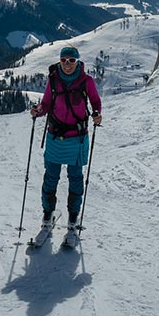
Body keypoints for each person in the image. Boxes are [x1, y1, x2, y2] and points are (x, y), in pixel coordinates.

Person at [30, 45, 103, 229]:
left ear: (77, 61)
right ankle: (47, 213)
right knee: (51, 177)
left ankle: (73, 216)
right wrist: (38, 111)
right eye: (64, 60)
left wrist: (96, 113)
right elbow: (46, 103)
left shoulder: (86, 81)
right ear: (60, 61)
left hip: (77, 138)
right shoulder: (53, 80)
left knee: (76, 177)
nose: (67, 64)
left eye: (71, 60)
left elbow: (95, 100)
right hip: (55, 137)